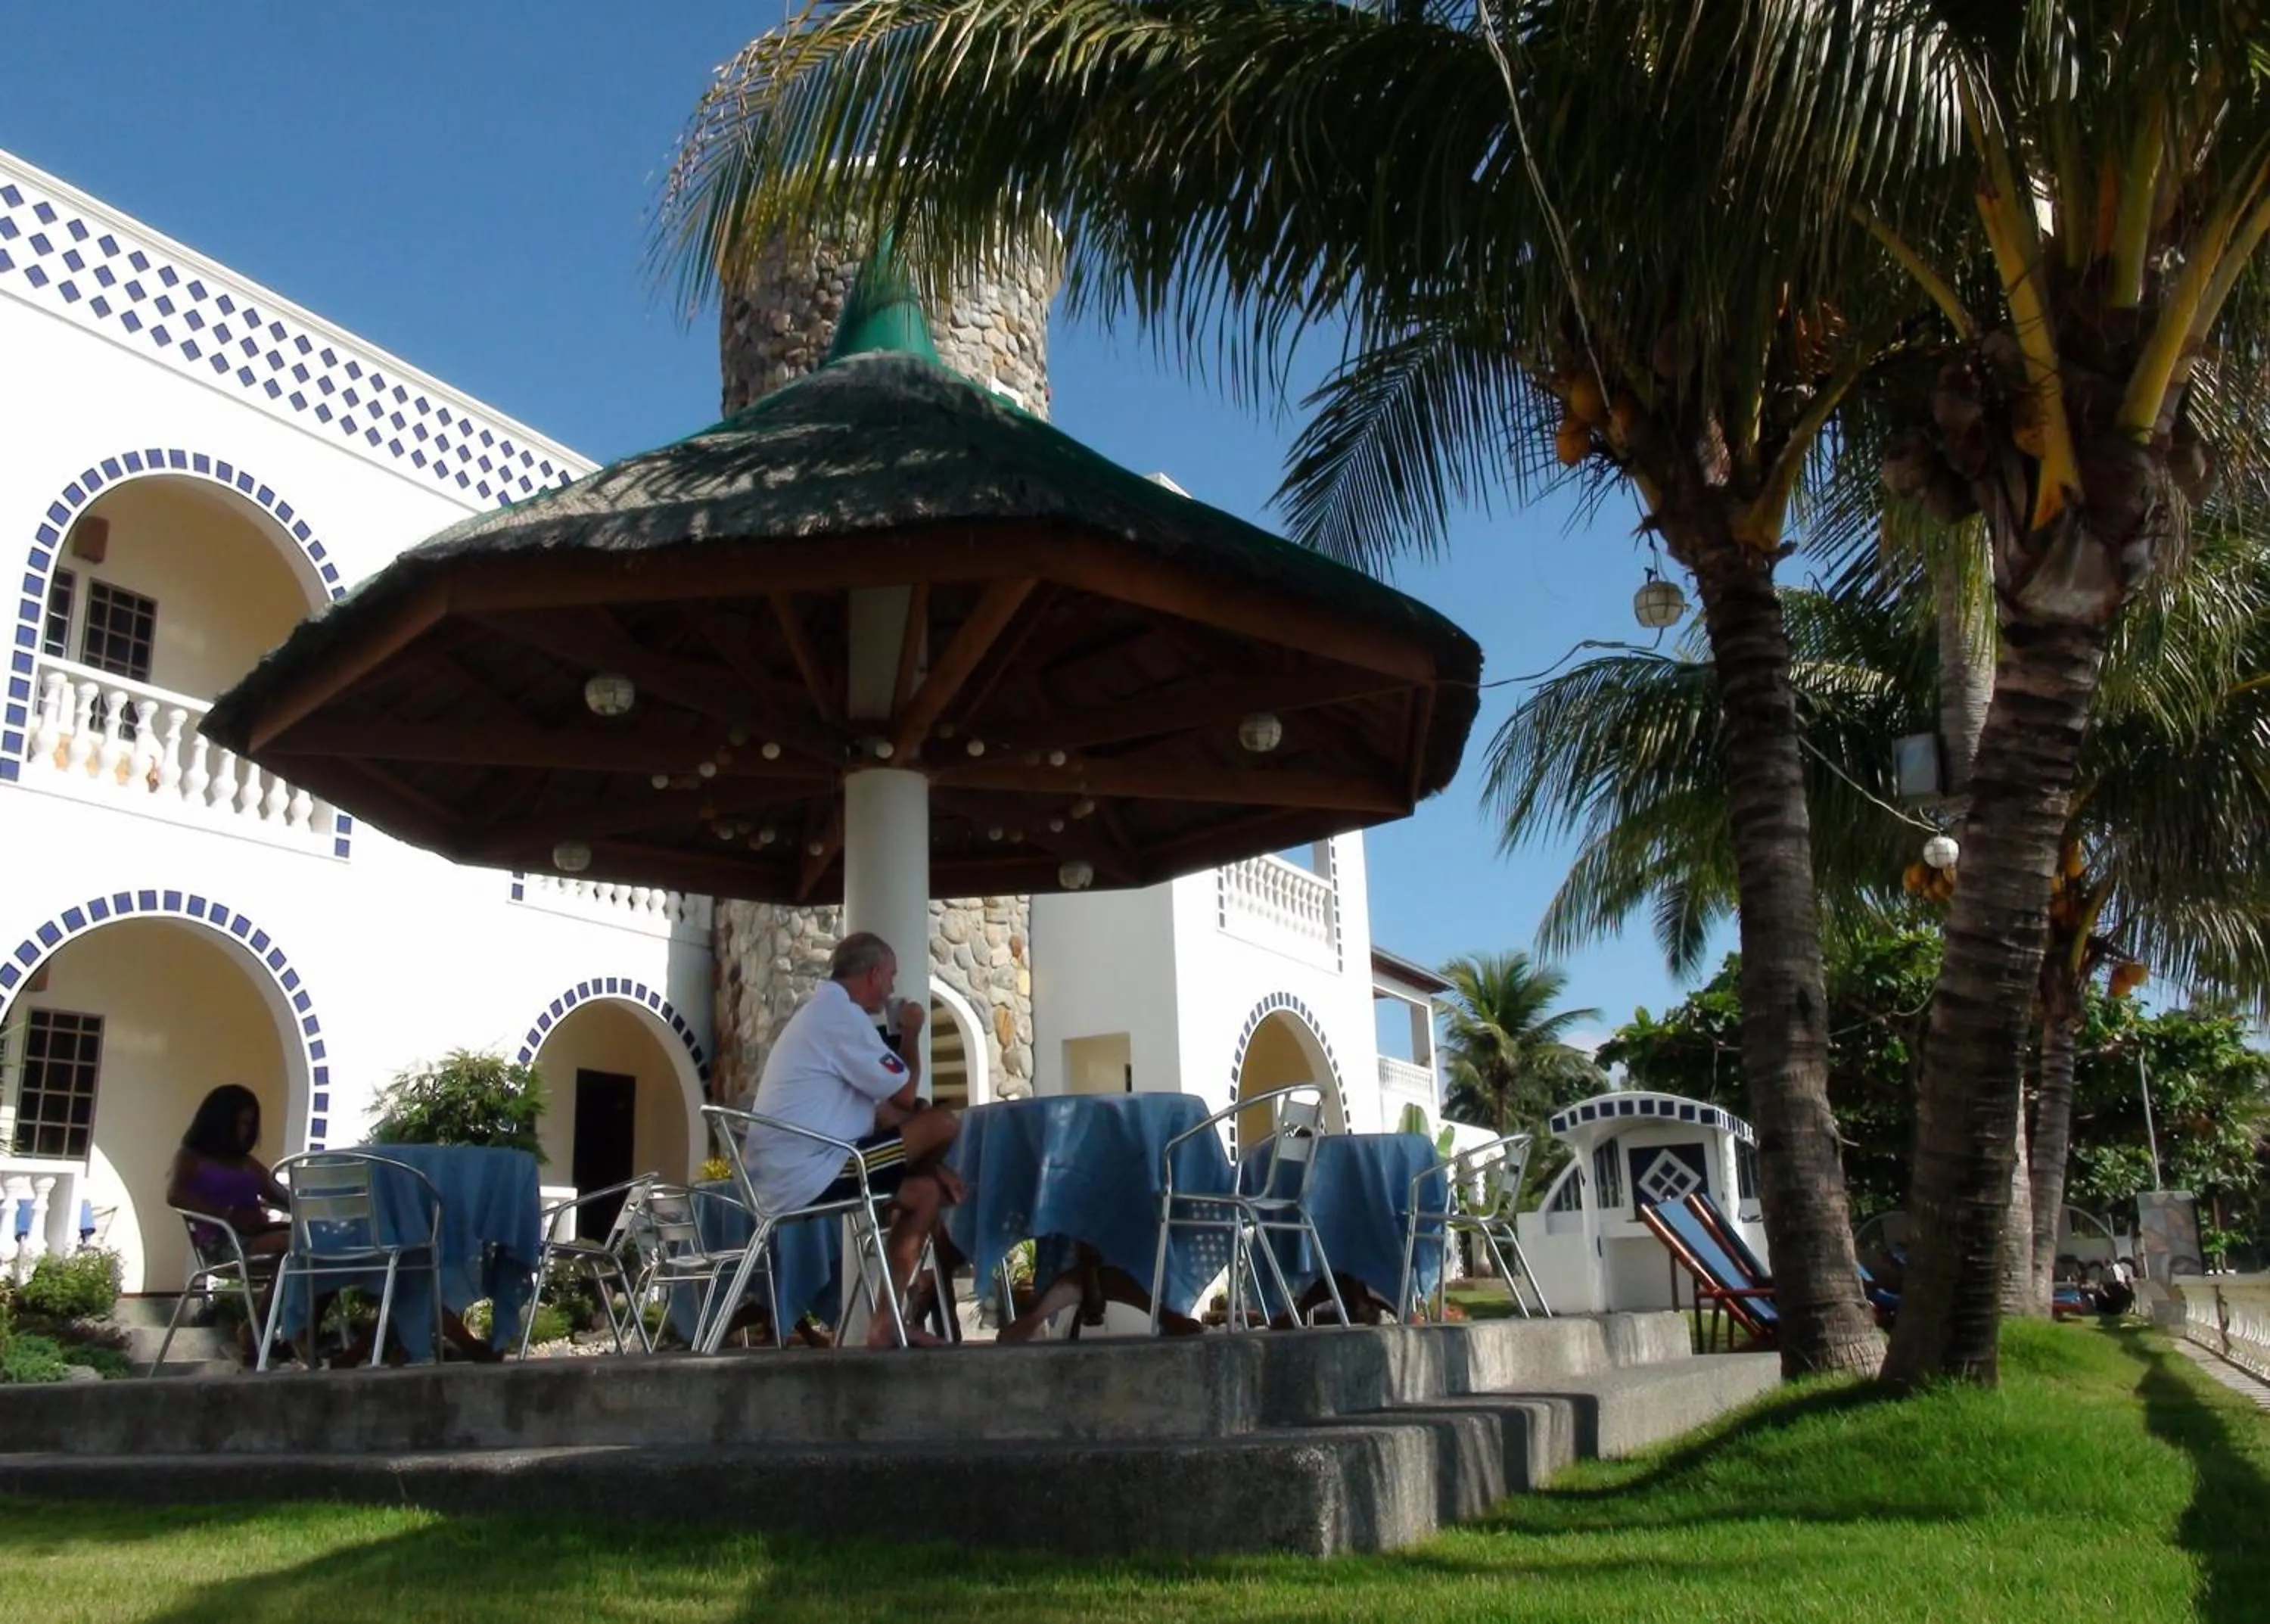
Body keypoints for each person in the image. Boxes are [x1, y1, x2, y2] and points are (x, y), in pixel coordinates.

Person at [745, 932, 964, 1347]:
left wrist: (933, 1167)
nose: (894, 987)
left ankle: (885, 1325)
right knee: (945, 1124)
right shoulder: (840, 1017)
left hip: (793, 1172)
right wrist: (911, 1031)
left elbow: (886, 1111)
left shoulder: (822, 1014)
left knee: (924, 1194)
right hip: (811, 1172)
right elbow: (903, 1091)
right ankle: (929, 1191)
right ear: (875, 973)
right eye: (892, 976)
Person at [165, 1084, 292, 1364]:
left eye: (251, 1124)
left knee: (313, 1247)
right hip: (222, 1244)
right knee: (295, 1247)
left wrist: (308, 1202)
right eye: (244, 1123)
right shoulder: (192, 1157)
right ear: (222, 1120)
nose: (248, 1131)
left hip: (256, 1237)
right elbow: (175, 1195)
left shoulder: (246, 1163)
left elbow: (278, 1194)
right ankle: (260, 1330)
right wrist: (229, 1215)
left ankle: (285, 1331)